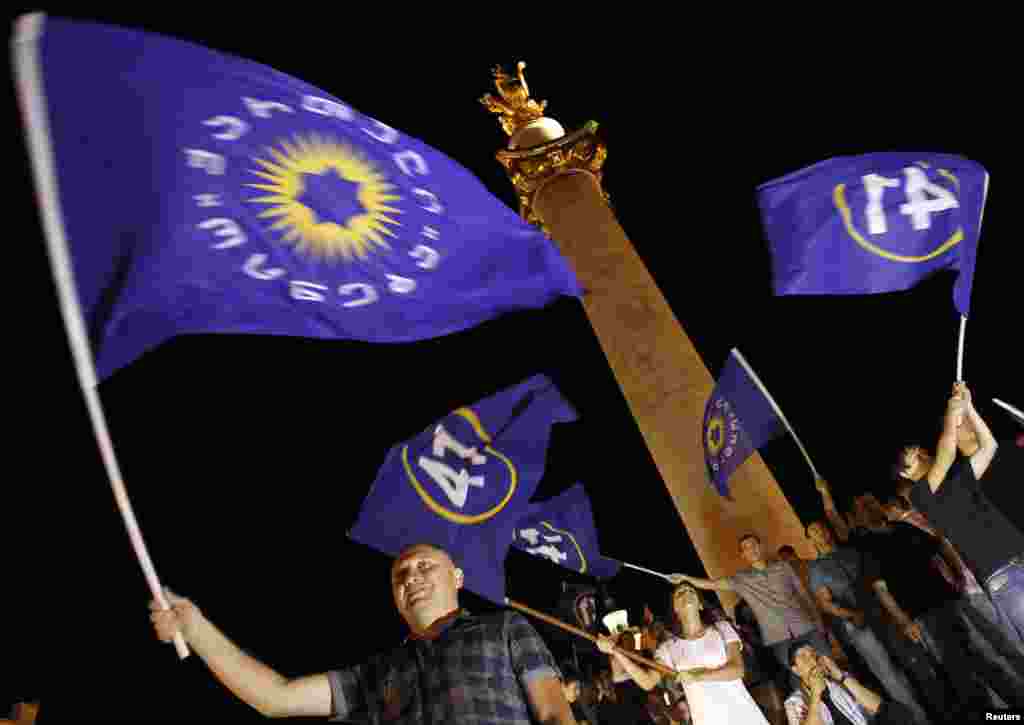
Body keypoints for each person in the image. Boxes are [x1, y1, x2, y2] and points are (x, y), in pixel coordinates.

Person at [150, 542, 576, 724]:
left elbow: (555, 714)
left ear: (458, 577)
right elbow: (277, 698)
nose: (411, 578)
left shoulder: (502, 627)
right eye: (400, 576)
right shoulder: (380, 670)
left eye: (425, 566)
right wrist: (196, 627)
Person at [897, 382, 1024, 648]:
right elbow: (946, 450)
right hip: (1004, 579)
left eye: (920, 450)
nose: (923, 454)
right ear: (905, 475)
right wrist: (952, 415)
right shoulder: (922, 496)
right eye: (915, 459)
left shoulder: (958, 478)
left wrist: (969, 409)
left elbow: (988, 446)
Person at [804, 520, 930, 724]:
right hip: (857, 627)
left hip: (882, 617)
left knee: (913, 662)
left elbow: (879, 587)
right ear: (810, 540)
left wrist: (900, 618)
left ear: (829, 531)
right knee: (889, 675)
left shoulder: (853, 552)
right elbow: (825, 603)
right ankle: (917, 719)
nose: (820, 533)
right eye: (814, 531)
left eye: (822, 528)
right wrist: (850, 614)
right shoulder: (816, 568)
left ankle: (939, 708)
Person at [597, 582, 769, 725]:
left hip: (741, 712)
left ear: (700, 604)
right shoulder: (668, 648)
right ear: (675, 608)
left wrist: (697, 675)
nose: (686, 593)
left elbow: (737, 670)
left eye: (690, 591)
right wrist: (615, 651)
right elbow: (647, 681)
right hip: (708, 719)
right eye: (680, 593)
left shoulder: (721, 628)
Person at [669, 535, 831, 677]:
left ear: (760, 547)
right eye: (746, 548)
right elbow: (714, 584)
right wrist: (687, 578)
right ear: (743, 555)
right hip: (779, 639)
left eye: (753, 545)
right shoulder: (741, 579)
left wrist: (819, 622)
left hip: (806, 627)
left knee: (830, 667)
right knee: (802, 679)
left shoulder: (783, 566)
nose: (751, 549)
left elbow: (803, 595)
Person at [784, 643, 916, 725]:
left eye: (813, 654)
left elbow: (878, 706)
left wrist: (840, 676)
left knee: (897, 712)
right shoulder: (794, 702)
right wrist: (816, 695)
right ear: (796, 670)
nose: (811, 659)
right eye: (803, 656)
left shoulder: (837, 680)